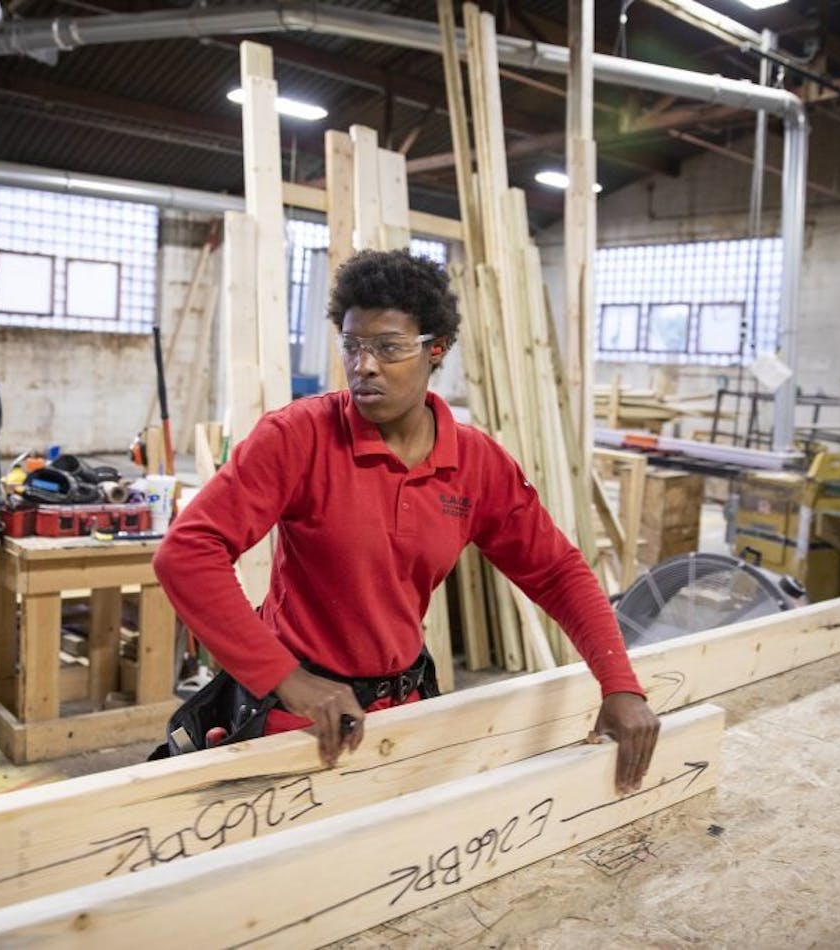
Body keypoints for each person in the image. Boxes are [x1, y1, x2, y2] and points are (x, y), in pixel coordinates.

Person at [152, 249, 659, 792]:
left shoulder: (476, 464)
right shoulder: (297, 437)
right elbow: (187, 552)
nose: (363, 365)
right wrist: (287, 678)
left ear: (435, 349)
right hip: (297, 715)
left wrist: (620, 685)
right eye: (352, 345)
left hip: (405, 708)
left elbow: (556, 572)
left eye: (388, 348)